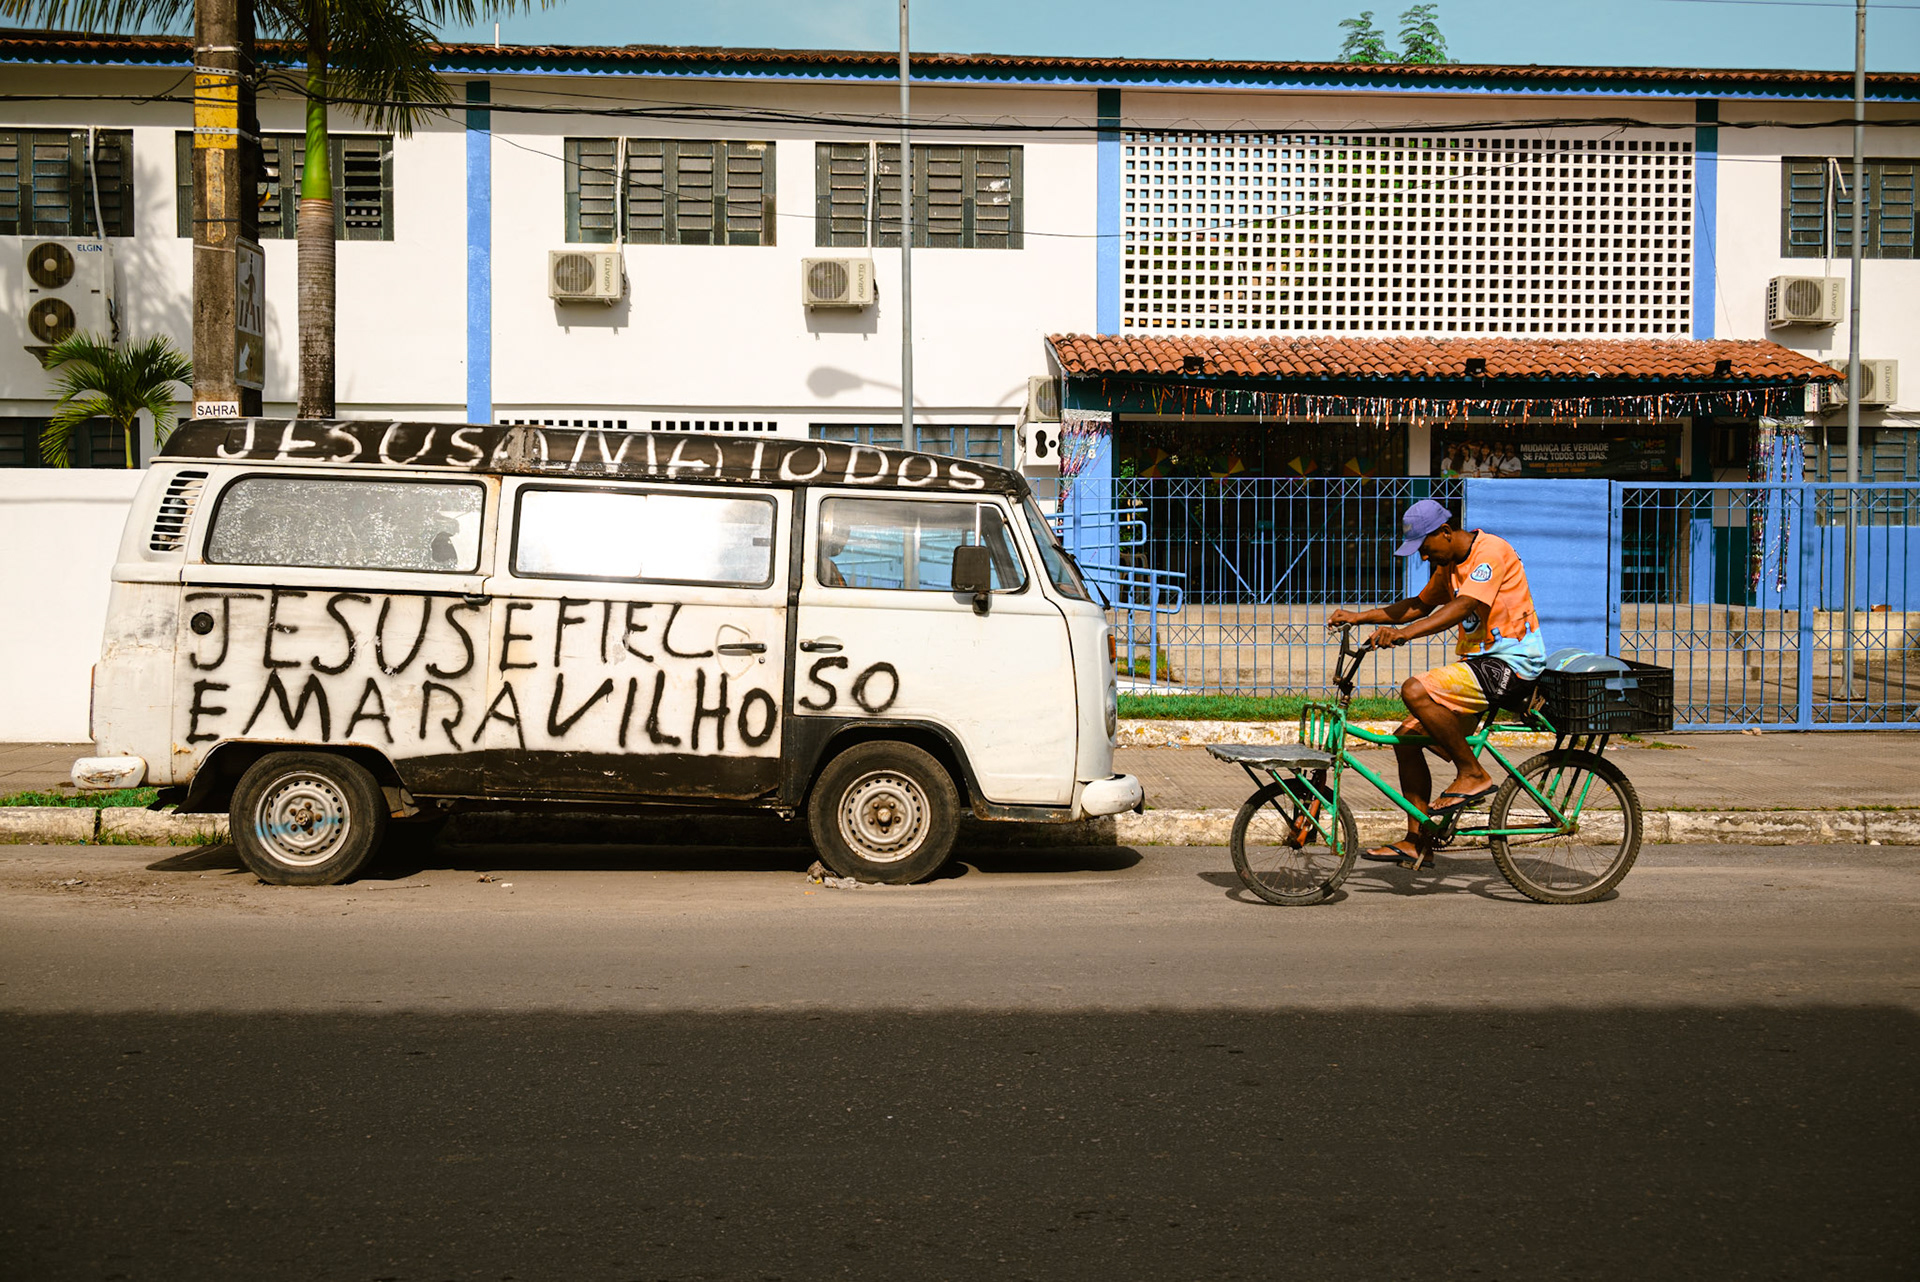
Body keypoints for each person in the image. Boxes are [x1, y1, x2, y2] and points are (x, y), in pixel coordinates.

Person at [1327, 499, 1547, 870]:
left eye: (1426, 549)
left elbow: (1462, 607)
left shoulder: (1490, 551)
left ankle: (1473, 773)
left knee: (1415, 689)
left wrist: (1404, 635)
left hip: (1513, 664)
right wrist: (1360, 617)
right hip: (1481, 666)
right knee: (1406, 740)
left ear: (1445, 532)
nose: (1425, 558)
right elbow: (1419, 604)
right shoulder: (1450, 564)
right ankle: (1417, 842)